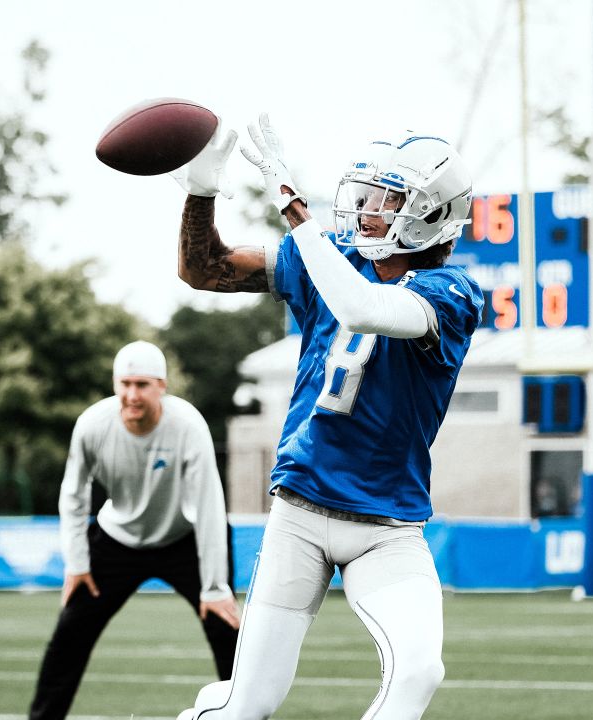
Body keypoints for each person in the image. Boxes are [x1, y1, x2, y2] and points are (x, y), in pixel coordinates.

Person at [169, 115, 483, 720]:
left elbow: (362, 307)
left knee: (419, 669)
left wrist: (295, 211)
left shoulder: (454, 293)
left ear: (433, 214)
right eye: (364, 196)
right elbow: (202, 269)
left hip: (387, 528)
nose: (365, 212)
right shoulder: (331, 255)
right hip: (301, 516)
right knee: (247, 707)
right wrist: (200, 195)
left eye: (386, 201)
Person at [27, 340, 240, 720]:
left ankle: (244, 715)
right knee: (68, 637)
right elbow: (73, 497)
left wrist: (214, 587)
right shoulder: (93, 425)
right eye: (124, 384)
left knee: (227, 631)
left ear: (162, 386)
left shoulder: (188, 426)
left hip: (182, 538)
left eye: (142, 384)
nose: (131, 394)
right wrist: (77, 564)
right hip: (117, 541)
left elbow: (210, 507)